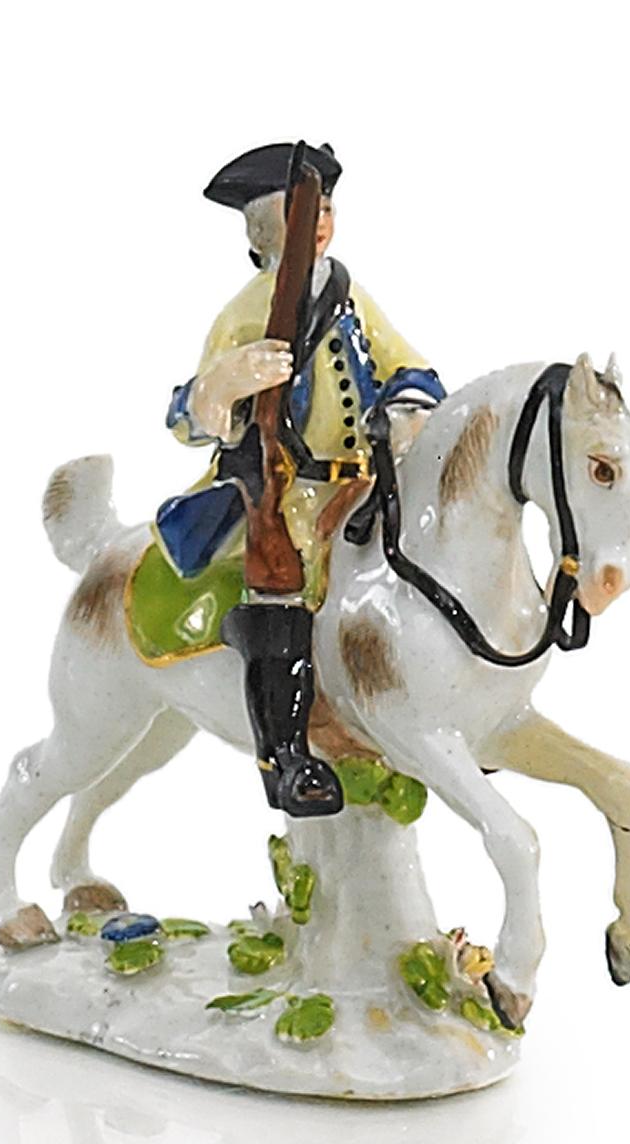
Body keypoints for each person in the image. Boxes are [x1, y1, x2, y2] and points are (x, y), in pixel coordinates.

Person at [158, 142, 445, 818]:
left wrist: (407, 407)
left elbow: (407, 365)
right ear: (267, 227)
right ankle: (285, 756)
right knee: (279, 591)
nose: (320, 223)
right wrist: (224, 385)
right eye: (303, 211)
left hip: (360, 481)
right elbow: (185, 415)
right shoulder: (247, 310)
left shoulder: (347, 294)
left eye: (325, 209)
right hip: (285, 491)